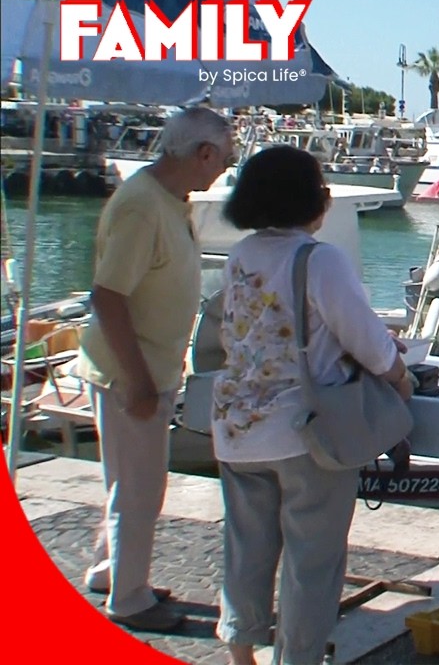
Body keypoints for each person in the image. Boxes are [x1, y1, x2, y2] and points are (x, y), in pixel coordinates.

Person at [212, 146, 415, 664]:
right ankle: (296, 657)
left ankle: (240, 650)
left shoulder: (242, 254)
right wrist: (400, 376)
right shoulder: (319, 258)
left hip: (236, 426)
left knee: (246, 549)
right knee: (311, 560)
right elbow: (368, 341)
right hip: (305, 431)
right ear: (311, 200)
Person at [77, 107, 234, 632]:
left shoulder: (168, 199)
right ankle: (129, 598)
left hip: (146, 365)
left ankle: (111, 570)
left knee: (125, 482)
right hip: (131, 370)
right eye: (224, 159)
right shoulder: (144, 206)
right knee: (141, 490)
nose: (225, 170)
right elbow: (108, 295)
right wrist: (138, 380)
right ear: (203, 154)